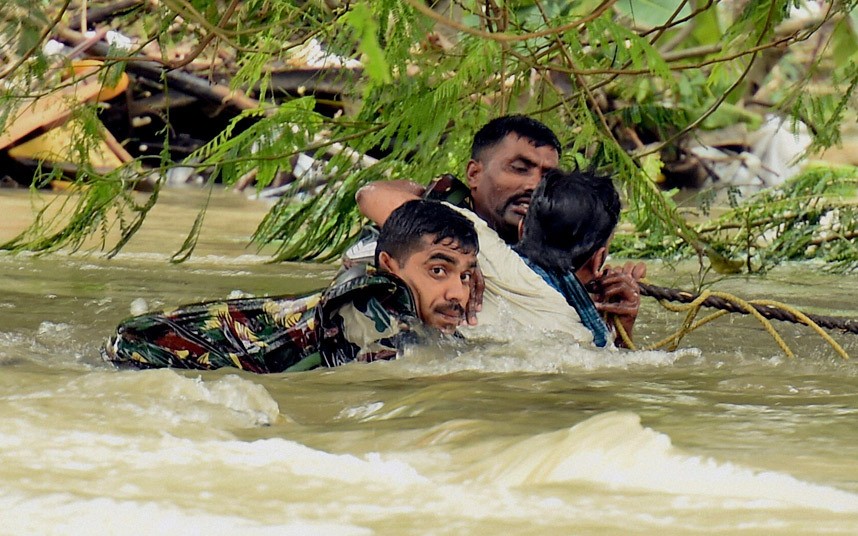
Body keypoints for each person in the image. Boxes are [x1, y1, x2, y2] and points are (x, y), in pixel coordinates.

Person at [354, 114, 645, 345]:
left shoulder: (548, 267)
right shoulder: (434, 230)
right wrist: (465, 259)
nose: (533, 186)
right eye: (520, 168)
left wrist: (619, 323)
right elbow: (371, 195)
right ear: (474, 174)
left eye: (547, 177)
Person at [102, 200, 478, 372]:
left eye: (465, 275)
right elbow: (384, 385)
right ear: (389, 267)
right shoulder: (373, 304)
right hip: (148, 349)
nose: (458, 294)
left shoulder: (407, 310)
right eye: (438, 271)